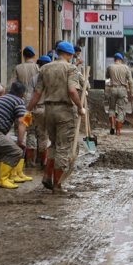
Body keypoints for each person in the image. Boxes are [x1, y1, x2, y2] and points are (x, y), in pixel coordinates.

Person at [26, 41, 86, 194]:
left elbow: (37, 93)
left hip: (48, 110)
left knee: (53, 144)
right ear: (70, 54)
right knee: (63, 148)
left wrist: (27, 110)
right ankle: (57, 185)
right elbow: (72, 91)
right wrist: (80, 107)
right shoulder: (70, 68)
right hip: (64, 111)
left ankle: (47, 176)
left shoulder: (45, 68)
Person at [29, 55, 52, 167]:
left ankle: (41, 161)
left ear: (38, 66)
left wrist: (28, 110)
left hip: (38, 109)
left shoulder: (34, 79)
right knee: (49, 136)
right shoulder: (53, 77)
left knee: (40, 135)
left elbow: (31, 96)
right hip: (52, 109)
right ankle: (46, 161)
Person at [106, 53, 133, 135]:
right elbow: (131, 81)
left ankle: (112, 126)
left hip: (113, 89)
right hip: (122, 89)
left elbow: (107, 76)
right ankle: (118, 131)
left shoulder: (110, 67)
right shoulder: (126, 67)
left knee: (111, 109)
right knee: (121, 111)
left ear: (114, 59)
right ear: (121, 60)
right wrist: (131, 92)